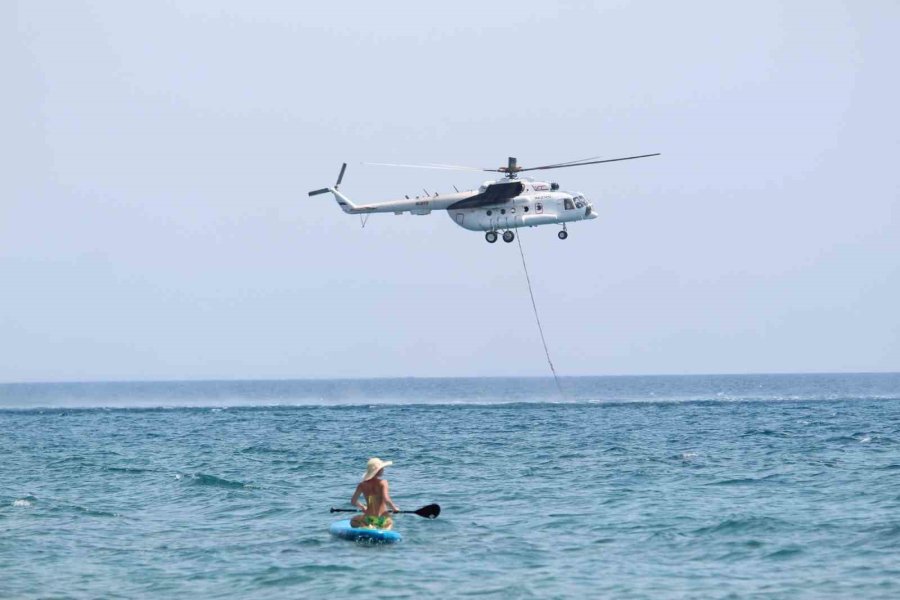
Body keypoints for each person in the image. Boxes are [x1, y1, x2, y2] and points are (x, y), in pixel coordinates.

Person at [350, 457, 399, 530]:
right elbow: (386, 499)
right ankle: (383, 529)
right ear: (378, 471)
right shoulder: (383, 483)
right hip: (382, 519)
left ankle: (367, 526)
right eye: (382, 468)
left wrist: (362, 507)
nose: (383, 470)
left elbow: (353, 501)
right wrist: (394, 508)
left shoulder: (362, 485)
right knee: (390, 522)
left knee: (353, 521)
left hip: (368, 519)